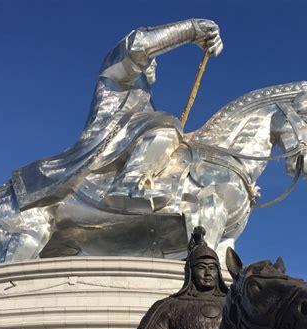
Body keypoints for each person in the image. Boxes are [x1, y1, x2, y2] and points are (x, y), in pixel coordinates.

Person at [12, 19, 223, 212]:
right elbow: (138, 47)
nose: (152, 66)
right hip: (106, 138)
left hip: (127, 139)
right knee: (167, 124)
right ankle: (129, 184)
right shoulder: (115, 70)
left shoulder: (144, 101)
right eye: (151, 61)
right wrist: (191, 29)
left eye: (154, 63)